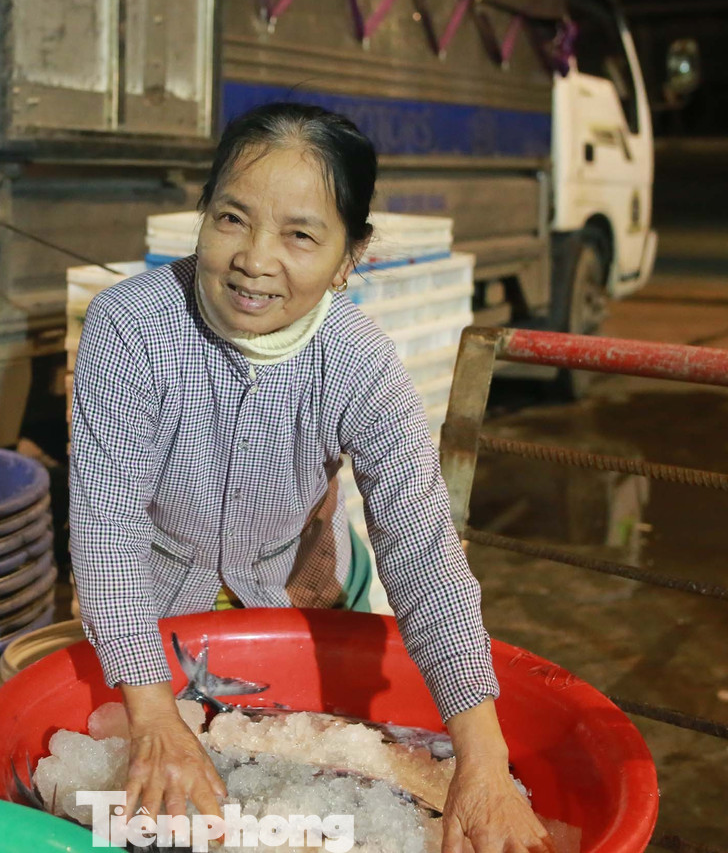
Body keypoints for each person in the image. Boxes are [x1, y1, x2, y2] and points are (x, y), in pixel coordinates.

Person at [69, 102, 553, 853]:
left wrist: (485, 759)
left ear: (349, 256)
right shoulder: (128, 329)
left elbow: (424, 552)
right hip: (149, 602)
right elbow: (107, 530)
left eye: (300, 234)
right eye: (231, 218)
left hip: (296, 586)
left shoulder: (361, 363)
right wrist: (156, 717)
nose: (255, 259)